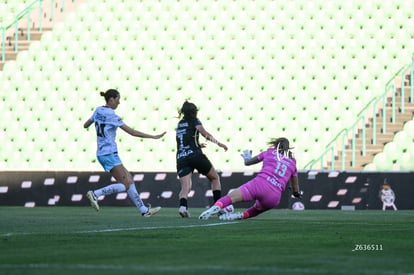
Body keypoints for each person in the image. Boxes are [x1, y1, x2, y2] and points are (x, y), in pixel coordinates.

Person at [84, 89, 166, 217]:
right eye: (117, 99)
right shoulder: (112, 115)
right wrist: (152, 136)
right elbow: (132, 132)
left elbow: (85, 125)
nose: (119, 103)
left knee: (129, 180)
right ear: (111, 99)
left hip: (102, 153)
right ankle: (95, 194)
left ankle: (144, 211)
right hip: (109, 153)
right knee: (125, 185)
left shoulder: (98, 110)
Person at [199, 137, 301, 220]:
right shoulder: (292, 163)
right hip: (274, 195)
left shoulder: (269, 152)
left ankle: (216, 207)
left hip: (260, 184)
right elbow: (295, 189)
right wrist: (296, 193)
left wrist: (247, 157)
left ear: (275, 145)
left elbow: (248, 162)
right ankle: (238, 216)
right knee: (256, 210)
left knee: (231, 197)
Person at [175, 100, 233, 218]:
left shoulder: (180, 124)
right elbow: (204, 133)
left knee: (186, 186)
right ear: (194, 112)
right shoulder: (194, 121)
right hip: (195, 155)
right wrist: (219, 143)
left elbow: (184, 140)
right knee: (214, 178)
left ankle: (182, 207)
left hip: (181, 157)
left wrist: (197, 144)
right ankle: (219, 207)